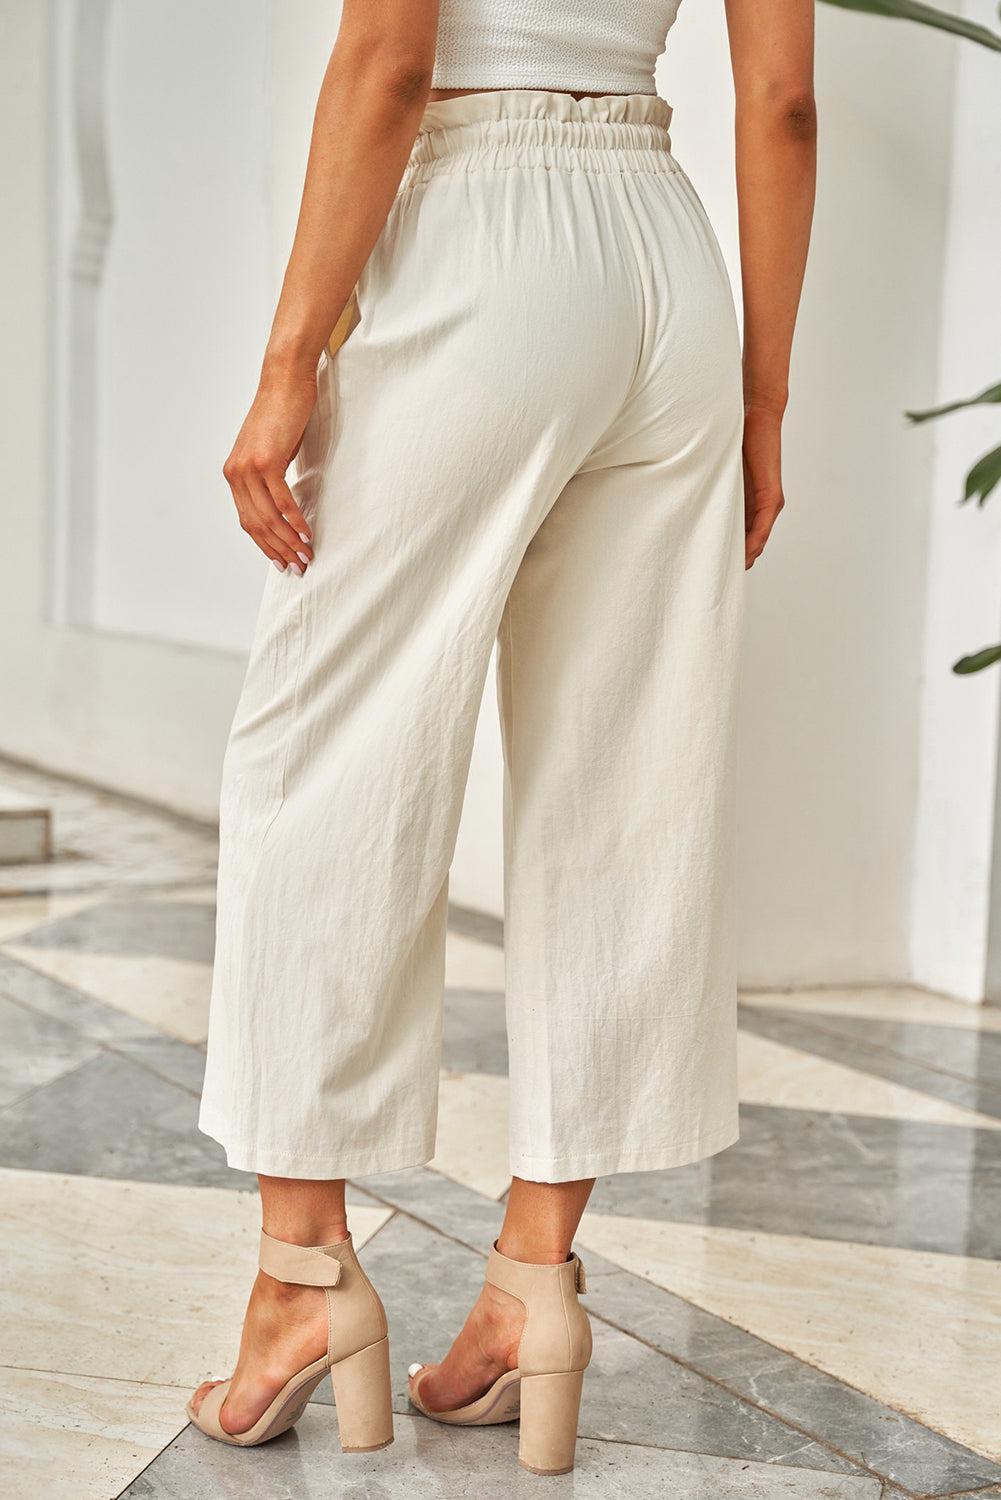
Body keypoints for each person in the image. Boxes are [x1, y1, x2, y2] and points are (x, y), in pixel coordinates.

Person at [188, 0, 816, 1476]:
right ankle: (533, 1287)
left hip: (477, 220)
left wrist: (286, 369)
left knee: (325, 754)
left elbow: (390, 56)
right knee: (625, 783)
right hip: (665, 254)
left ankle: (296, 1285)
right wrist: (763, 396)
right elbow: (779, 100)